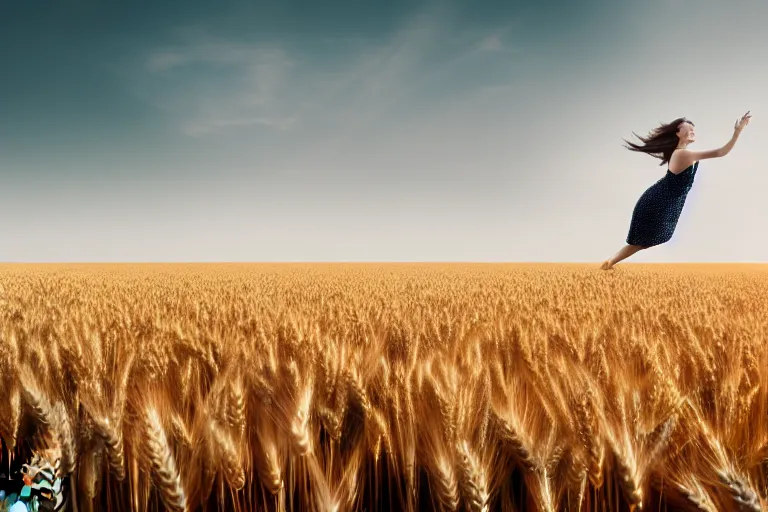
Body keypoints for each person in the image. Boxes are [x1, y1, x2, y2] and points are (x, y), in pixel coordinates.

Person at [600, 111, 752, 270]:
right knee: (643, 241)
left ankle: (609, 262)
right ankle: (609, 262)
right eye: (688, 129)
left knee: (643, 243)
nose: (693, 131)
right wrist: (738, 131)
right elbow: (721, 152)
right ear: (677, 133)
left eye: (694, 129)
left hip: (662, 200)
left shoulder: (681, 153)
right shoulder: (683, 154)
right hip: (659, 202)